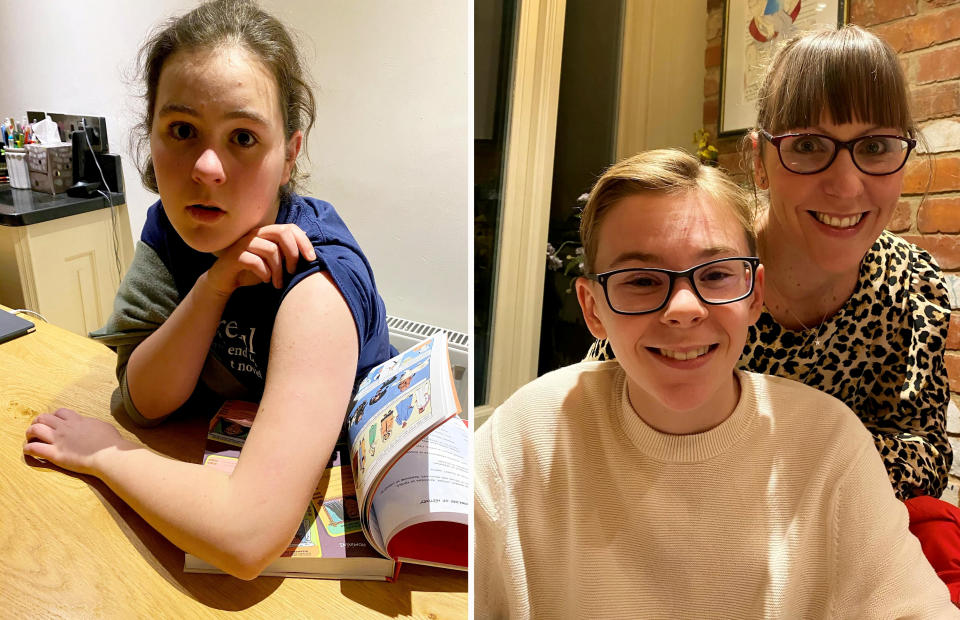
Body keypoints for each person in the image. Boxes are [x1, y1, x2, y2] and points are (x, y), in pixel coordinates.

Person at [474, 149, 958, 617]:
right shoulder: (527, 433)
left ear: (754, 295)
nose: (684, 309)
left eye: (718, 274)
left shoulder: (831, 445)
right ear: (592, 308)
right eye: (642, 280)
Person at [22, 0, 393, 580]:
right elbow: (143, 402)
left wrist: (102, 455)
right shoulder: (174, 228)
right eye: (183, 131)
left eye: (243, 136)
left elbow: (246, 536)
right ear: (151, 135)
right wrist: (213, 286)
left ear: (289, 154)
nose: (206, 168)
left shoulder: (316, 280)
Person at [586, 25, 960, 599]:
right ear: (760, 162)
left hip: (836, 570)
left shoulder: (913, 289)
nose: (846, 182)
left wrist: (782, 462)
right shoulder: (703, 274)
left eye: (876, 146)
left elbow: (925, 453)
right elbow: (605, 415)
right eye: (809, 145)